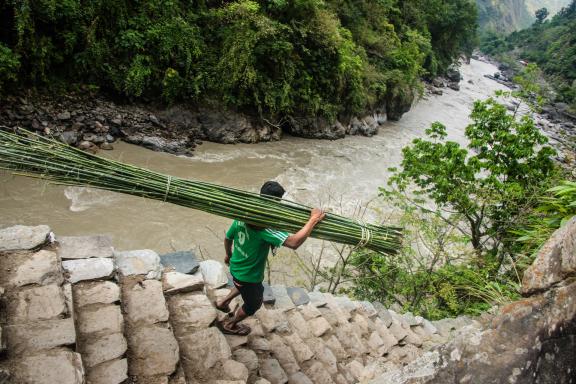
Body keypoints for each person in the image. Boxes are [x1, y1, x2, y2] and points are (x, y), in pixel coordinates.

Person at [216, 180, 326, 335]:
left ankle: (223, 302)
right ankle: (230, 324)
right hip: (248, 276)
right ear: (276, 201)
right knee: (253, 303)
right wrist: (313, 220)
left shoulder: (243, 215)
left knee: (246, 286)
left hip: (236, 267)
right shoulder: (264, 228)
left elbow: (228, 238)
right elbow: (294, 243)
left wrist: (228, 254)